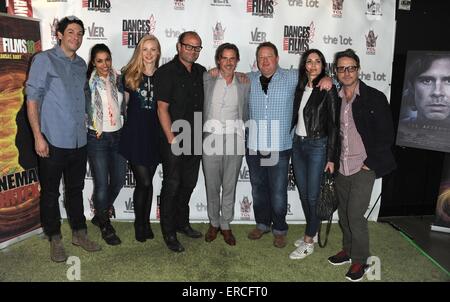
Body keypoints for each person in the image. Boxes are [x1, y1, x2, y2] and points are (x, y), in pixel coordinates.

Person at [26, 16, 101, 263]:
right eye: (71, 32)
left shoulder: (81, 64)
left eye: (80, 33)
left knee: (75, 190)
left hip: (79, 141)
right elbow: (32, 100)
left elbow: (84, 99)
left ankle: (79, 233)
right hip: (52, 139)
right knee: (49, 193)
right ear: (59, 34)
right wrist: (38, 136)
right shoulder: (43, 60)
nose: (76, 37)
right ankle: (54, 237)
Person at [245, 42, 332, 248]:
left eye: (269, 57)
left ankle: (280, 229)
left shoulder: (293, 77)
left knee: (277, 191)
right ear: (256, 61)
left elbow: (316, 77)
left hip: (280, 146)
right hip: (254, 146)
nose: (265, 61)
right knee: (258, 189)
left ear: (277, 59)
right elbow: (227, 75)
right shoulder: (248, 79)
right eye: (261, 58)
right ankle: (262, 224)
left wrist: (328, 78)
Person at [329, 49, 396, 281]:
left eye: (351, 67)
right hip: (341, 167)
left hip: (362, 167)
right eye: (341, 68)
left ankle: (361, 260)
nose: (346, 72)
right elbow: (334, 135)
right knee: (344, 214)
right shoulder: (335, 98)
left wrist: (370, 163)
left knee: (355, 215)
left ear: (358, 69)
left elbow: (387, 135)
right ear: (336, 71)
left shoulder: (374, 97)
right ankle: (348, 250)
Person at [155, 31, 206, 252]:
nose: (193, 51)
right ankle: (169, 232)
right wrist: (171, 139)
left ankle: (182, 223)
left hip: (195, 138)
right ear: (179, 46)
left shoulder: (202, 72)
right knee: (172, 185)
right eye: (189, 46)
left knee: (189, 184)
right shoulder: (166, 72)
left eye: (197, 48)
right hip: (173, 138)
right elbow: (162, 108)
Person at [288, 49, 339, 260]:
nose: (313, 65)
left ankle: (309, 241)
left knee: (313, 196)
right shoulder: (301, 87)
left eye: (318, 61)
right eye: (309, 61)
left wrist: (331, 158)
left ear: (323, 65)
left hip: (318, 146)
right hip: (298, 145)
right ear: (304, 65)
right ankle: (314, 231)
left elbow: (334, 126)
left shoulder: (328, 88)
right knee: (303, 194)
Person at [202, 43, 250, 246]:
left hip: (234, 138)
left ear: (237, 61)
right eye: (225, 58)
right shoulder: (207, 78)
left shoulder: (244, 81)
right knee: (212, 186)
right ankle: (213, 223)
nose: (228, 62)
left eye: (232, 59)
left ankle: (226, 224)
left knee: (229, 185)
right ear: (218, 60)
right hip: (210, 137)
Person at [118, 35, 161, 243]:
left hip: (155, 136)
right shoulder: (129, 75)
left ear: (158, 52)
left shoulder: (163, 76)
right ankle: (139, 223)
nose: (149, 53)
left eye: (153, 49)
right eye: (145, 49)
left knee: (149, 182)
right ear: (139, 51)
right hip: (135, 135)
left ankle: (146, 221)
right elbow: (122, 108)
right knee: (143, 181)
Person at [86, 43, 126, 246]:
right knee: (101, 185)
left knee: (118, 180)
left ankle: (100, 212)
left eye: (107, 59)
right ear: (93, 62)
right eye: (99, 61)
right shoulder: (87, 83)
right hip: (97, 137)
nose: (104, 64)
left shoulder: (119, 78)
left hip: (118, 136)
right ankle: (104, 224)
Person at [397, 53, 450, 151]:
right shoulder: (398, 130)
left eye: (448, 81)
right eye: (427, 81)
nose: (437, 92)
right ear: (412, 88)